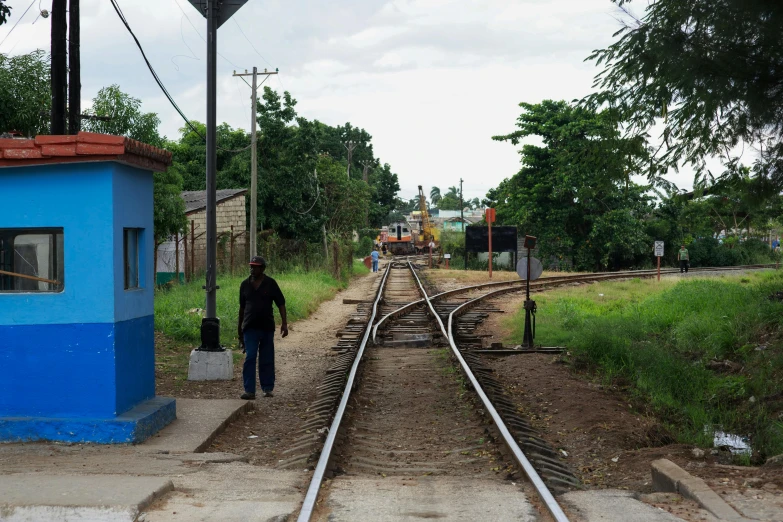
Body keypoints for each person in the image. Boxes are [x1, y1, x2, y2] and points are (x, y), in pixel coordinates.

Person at [238, 256, 288, 400]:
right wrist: (240, 329)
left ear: (262, 268)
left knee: (266, 358)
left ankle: (267, 388)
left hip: (266, 327)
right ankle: (249, 390)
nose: (252, 269)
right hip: (249, 327)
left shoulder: (270, 284)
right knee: (250, 357)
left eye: (255, 267)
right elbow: (241, 308)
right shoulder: (244, 285)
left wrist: (284, 323)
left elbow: (281, 303)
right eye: (251, 267)